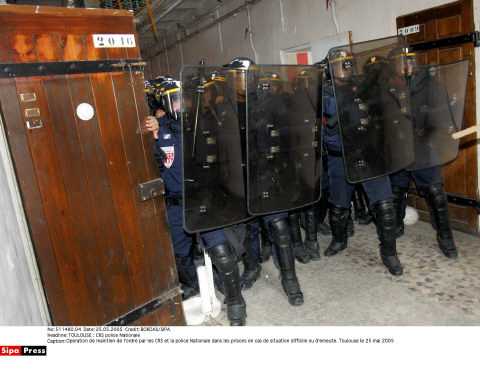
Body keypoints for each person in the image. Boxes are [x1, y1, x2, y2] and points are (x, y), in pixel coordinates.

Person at [143, 77, 247, 325]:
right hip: (176, 204)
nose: (179, 104)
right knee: (178, 256)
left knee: (221, 251)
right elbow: (153, 165)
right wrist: (153, 135)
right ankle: (195, 287)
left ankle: (236, 302)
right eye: (174, 100)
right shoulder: (158, 128)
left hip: (203, 199)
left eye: (182, 99)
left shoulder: (203, 123)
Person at [226, 58, 305, 305]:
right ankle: (252, 267)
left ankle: (290, 279)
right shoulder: (226, 109)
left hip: (270, 176)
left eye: (246, 75)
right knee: (249, 230)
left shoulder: (273, 103)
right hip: (244, 181)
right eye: (238, 76)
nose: (243, 80)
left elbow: (290, 135)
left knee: (280, 229)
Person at [320, 50, 403, 276]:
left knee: (385, 206)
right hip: (341, 157)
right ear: (329, 68)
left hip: (369, 154)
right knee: (338, 207)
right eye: (339, 65)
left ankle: (389, 253)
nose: (345, 68)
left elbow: (385, 112)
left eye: (348, 64)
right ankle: (339, 240)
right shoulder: (323, 93)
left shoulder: (366, 87)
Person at [390, 52, 458, 259]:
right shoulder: (389, 85)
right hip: (399, 149)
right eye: (403, 61)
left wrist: (438, 126)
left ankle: (445, 237)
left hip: (423, 148)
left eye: (410, 60)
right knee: (396, 192)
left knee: (436, 193)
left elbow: (444, 112)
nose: (407, 64)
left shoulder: (430, 83)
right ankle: (395, 227)